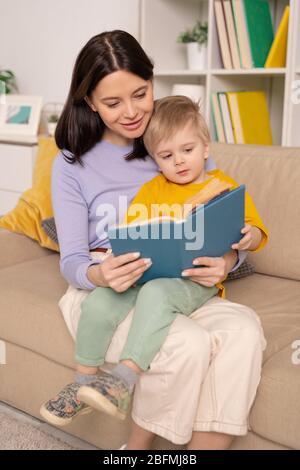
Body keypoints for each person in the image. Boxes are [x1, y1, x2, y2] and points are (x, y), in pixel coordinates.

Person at [40, 30, 267, 450]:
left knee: (245, 331)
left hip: (181, 284)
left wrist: (228, 260)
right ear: (90, 101)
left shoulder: (176, 138)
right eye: (112, 103)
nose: (131, 112)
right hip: (109, 291)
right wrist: (100, 273)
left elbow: (220, 222)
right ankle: (135, 452)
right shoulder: (71, 164)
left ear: (152, 82)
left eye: (140, 93)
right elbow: (71, 260)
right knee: (188, 344)